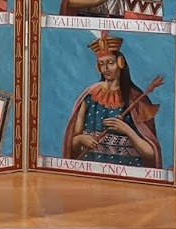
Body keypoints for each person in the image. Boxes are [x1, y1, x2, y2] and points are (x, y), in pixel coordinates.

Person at [62, 33, 161, 168]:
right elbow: (71, 143)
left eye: (110, 63)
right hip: (92, 166)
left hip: (127, 169)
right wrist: (80, 139)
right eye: (101, 64)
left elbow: (152, 153)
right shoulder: (89, 96)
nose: (106, 69)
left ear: (120, 63)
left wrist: (127, 130)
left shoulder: (136, 99)